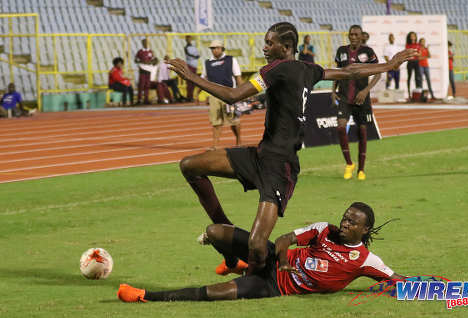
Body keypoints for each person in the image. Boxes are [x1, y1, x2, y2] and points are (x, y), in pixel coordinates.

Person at [164, 22, 416, 277]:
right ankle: (228, 245)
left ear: (286, 47)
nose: (264, 47)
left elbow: (233, 95)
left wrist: (192, 77)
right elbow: (349, 72)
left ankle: (258, 281)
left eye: (269, 43)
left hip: (280, 167)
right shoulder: (309, 69)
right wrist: (388, 65)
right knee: (190, 166)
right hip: (259, 155)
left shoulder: (275, 69)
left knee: (257, 246)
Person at [117, 202, 406, 302]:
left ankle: (145, 296)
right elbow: (283, 239)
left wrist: (445, 291)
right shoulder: (324, 230)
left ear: (365, 230)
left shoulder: (366, 261)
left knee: (217, 293)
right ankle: (234, 261)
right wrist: (282, 260)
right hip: (268, 258)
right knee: (215, 231)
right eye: (345, 217)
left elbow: (396, 280)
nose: (344, 223)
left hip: (273, 287)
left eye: (352, 222)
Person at [332, 25, 381, 181]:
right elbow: (338, 72)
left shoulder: (368, 52)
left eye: (356, 34)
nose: (353, 37)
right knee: (340, 126)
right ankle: (349, 164)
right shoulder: (341, 51)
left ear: (361, 36)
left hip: (362, 99)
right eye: (351, 34)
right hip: (345, 97)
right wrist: (333, 90)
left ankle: (361, 169)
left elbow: (378, 73)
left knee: (362, 132)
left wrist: (366, 91)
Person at [195, 39, 244, 149]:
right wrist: (197, 94)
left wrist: (241, 94)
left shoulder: (231, 60)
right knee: (215, 121)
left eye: (217, 48)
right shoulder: (207, 63)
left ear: (222, 48)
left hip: (229, 94)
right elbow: (203, 80)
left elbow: (238, 78)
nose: (214, 50)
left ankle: (239, 142)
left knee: (233, 120)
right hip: (214, 95)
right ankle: (215, 145)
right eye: (212, 48)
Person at [135, 38, 158, 105]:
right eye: (144, 42)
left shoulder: (151, 51)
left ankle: (146, 99)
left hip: (149, 69)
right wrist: (142, 62)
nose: (145, 43)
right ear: (142, 43)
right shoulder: (140, 51)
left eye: (146, 42)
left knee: (147, 85)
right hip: (142, 69)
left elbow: (155, 60)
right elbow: (135, 60)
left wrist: (150, 62)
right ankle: (139, 100)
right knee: (141, 85)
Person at [405, 31, 422, 97]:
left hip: (416, 62)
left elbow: (419, 54)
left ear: (415, 37)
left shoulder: (417, 45)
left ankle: (417, 93)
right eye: (411, 36)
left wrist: (414, 53)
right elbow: (408, 54)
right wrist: (415, 53)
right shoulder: (408, 45)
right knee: (409, 77)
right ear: (409, 37)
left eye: (414, 36)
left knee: (417, 77)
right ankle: (409, 94)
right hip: (410, 62)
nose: (413, 37)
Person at [185, 35, 200, 102]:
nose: (189, 40)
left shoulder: (194, 47)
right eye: (187, 39)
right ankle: (189, 96)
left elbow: (198, 55)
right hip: (189, 65)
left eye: (190, 39)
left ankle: (191, 96)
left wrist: (196, 56)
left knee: (193, 82)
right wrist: (195, 56)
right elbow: (188, 54)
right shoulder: (186, 47)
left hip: (194, 66)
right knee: (189, 82)